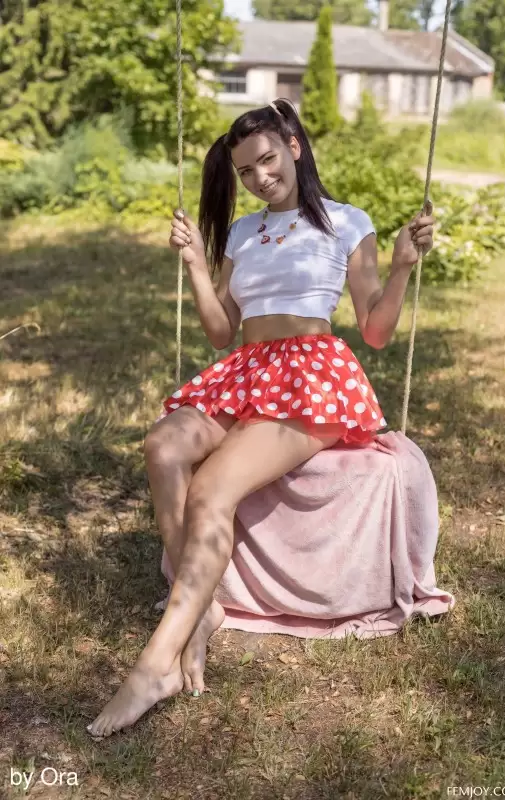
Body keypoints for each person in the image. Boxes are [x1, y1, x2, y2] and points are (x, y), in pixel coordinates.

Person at [87, 98, 434, 738]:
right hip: (247, 370)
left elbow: (376, 330)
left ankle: (156, 664)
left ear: (294, 147)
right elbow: (222, 331)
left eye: (268, 160)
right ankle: (201, 611)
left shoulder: (347, 222)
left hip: (312, 376)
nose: (259, 177)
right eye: (245, 170)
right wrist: (196, 266)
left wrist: (403, 269)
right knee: (164, 445)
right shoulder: (244, 232)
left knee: (212, 488)